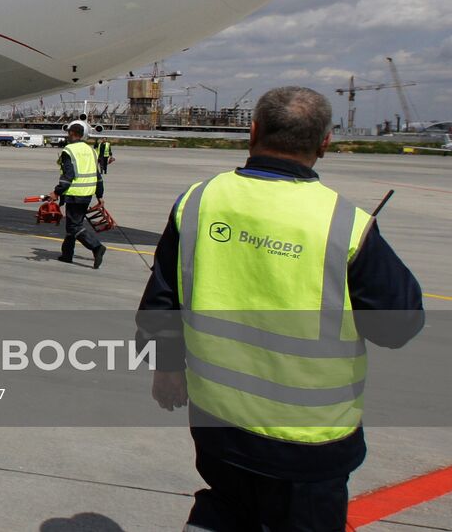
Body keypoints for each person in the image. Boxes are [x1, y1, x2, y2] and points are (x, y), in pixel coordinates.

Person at [138, 86, 424, 531]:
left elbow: (161, 301)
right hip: (308, 443)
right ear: (325, 141)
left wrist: (168, 367)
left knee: (225, 508)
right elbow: (399, 326)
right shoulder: (345, 224)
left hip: (218, 426)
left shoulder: (199, 200)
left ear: (252, 132)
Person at [53, 121, 106, 267]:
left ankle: (96, 247)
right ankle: (67, 254)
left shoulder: (69, 150)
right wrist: (100, 195)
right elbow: (98, 175)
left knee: (74, 227)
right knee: (73, 225)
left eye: (68, 133)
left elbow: (68, 176)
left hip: (75, 194)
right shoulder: (91, 150)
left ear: (71, 133)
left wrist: (56, 192)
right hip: (87, 194)